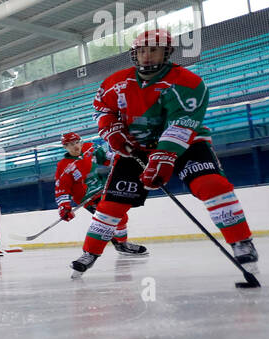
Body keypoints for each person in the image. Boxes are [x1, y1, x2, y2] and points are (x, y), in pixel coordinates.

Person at [72, 28, 258, 277]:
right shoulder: (115, 82)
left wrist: (164, 158)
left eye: (154, 50)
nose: (147, 56)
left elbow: (181, 124)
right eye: (142, 51)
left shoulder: (188, 83)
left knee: (212, 185)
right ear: (134, 54)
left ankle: (241, 241)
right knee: (111, 205)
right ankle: (91, 252)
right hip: (135, 149)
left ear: (167, 53)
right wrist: (113, 132)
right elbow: (103, 110)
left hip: (187, 144)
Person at [55, 132, 145, 255]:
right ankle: (122, 245)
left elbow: (109, 158)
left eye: (76, 142)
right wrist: (64, 206)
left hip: (103, 190)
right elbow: (62, 188)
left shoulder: (89, 149)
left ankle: (121, 244)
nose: (75, 146)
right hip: (88, 198)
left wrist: (128, 161)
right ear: (65, 147)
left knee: (120, 217)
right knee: (115, 219)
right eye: (70, 145)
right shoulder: (63, 166)